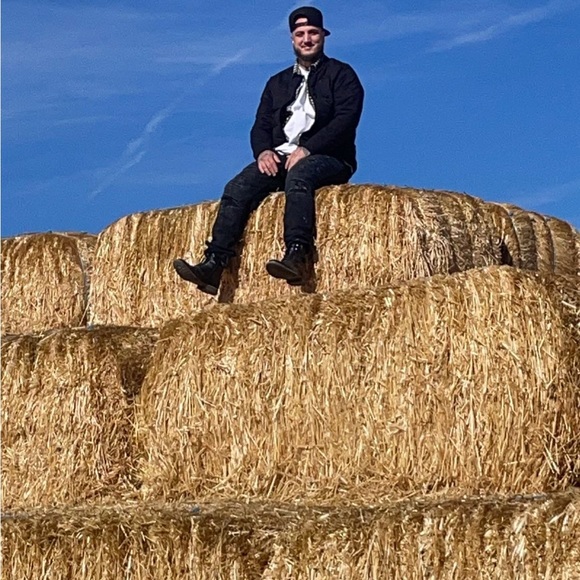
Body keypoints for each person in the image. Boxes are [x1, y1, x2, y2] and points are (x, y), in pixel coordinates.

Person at [173, 6, 364, 295]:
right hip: (281, 156)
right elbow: (260, 125)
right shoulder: (277, 83)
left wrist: (308, 149)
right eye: (300, 34)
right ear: (292, 39)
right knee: (237, 187)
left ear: (324, 35)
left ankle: (297, 255)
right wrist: (263, 152)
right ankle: (213, 265)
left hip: (330, 157)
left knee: (299, 177)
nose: (307, 39)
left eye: (313, 33)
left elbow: (346, 120)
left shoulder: (342, 75)